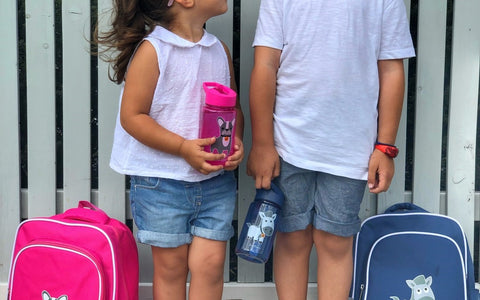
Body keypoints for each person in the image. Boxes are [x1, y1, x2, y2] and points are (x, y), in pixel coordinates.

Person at [246, 0, 415, 299]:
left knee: (336, 242)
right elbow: (265, 63)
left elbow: (391, 70)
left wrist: (385, 147)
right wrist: (261, 143)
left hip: (351, 149)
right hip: (289, 143)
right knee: (292, 237)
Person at [95, 0, 244, 299]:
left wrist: (235, 140)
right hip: (161, 183)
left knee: (211, 265)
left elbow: (233, 108)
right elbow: (132, 116)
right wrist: (182, 148)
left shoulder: (218, 50)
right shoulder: (154, 50)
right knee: (172, 269)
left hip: (215, 182)